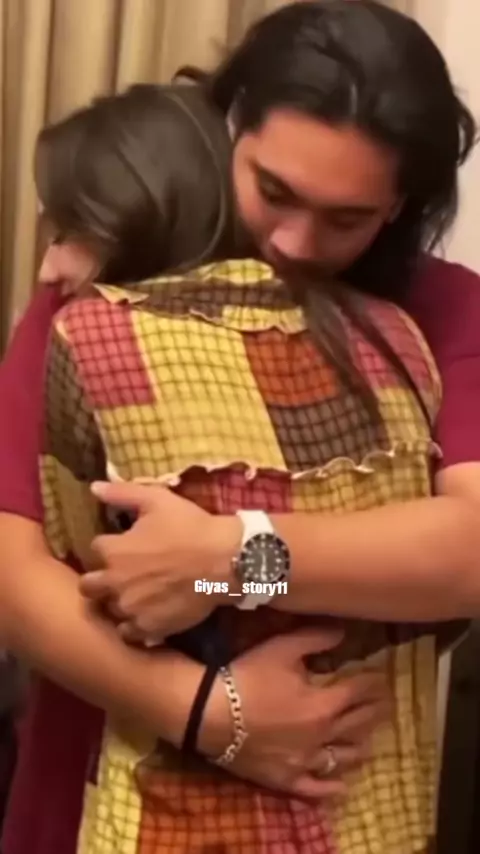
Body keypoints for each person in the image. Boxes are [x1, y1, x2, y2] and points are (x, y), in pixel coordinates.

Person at [0, 0, 479, 850]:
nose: (295, 242)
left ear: (400, 204)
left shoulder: (441, 313)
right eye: (273, 191)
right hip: (95, 788)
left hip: (341, 811)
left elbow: (470, 549)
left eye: (346, 218)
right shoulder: (105, 294)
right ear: (231, 128)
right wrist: (209, 715)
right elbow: (11, 564)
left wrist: (232, 559)